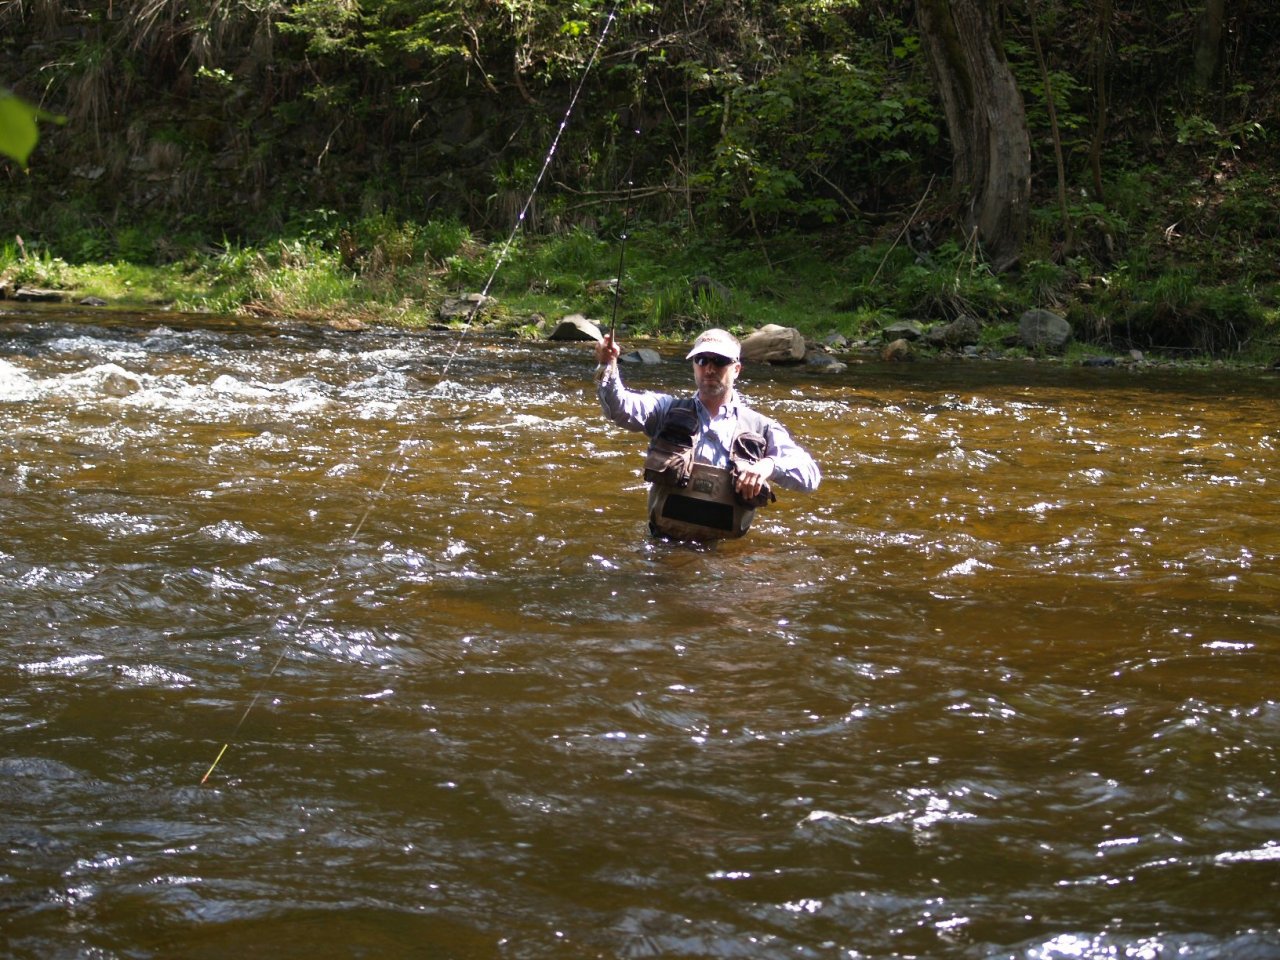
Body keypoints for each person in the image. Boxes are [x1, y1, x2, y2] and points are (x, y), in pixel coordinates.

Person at [594, 327, 820, 540]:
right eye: (702, 360)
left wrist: (768, 466)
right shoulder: (665, 410)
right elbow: (619, 407)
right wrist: (608, 364)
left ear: (737, 369)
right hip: (664, 547)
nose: (709, 369)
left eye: (720, 361)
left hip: (725, 554)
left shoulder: (761, 428)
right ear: (694, 365)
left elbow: (810, 476)